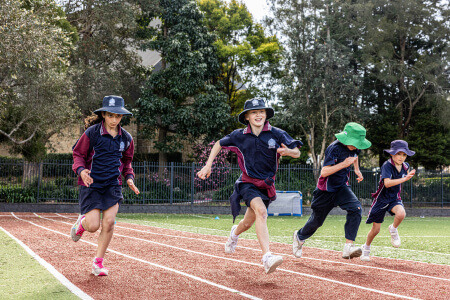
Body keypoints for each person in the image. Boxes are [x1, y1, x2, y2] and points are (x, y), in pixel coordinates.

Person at [197, 98, 302, 274]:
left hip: (266, 185)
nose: (258, 115)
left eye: (261, 111)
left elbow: (297, 152)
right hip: (247, 183)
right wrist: (208, 165)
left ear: (266, 114)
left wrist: (288, 151)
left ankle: (234, 234)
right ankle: (267, 257)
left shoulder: (277, 134)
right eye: (254, 112)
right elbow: (218, 144)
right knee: (262, 212)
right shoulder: (239, 135)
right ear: (246, 116)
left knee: (248, 222)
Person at [71, 95, 140, 276]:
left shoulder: (126, 139)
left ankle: (98, 263)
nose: (114, 120)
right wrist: (81, 171)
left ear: (122, 117)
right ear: (103, 115)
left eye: (117, 116)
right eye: (110, 116)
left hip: (112, 185)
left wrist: (129, 178)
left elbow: (127, 163)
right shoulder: (92, 133)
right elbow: (77, 154)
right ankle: (82, 223)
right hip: (91, 184)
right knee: (93, 226)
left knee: (109, 223)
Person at [293, 122, 371, 259]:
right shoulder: (333, 148)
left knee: (356, 209)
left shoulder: (355, 147)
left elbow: (355, 157)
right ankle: (299, 237)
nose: (356, 146)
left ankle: (348, 247)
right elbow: (324, 172)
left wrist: (357, 170)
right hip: (325, 190)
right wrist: (344, 164)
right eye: (355, 143)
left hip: (342, 187)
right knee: (316, 221)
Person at [360, 140, 416, 261]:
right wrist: (405, 179)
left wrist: (407, 175)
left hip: (394, 198)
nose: (401, 157)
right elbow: (387, 183)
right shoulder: (387, 165)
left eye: (404, 155)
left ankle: (393, 229)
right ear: (392, 154)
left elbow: (403, 176)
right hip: (381, 200)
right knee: (376, 230)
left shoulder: (406, 166)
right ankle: (366, 248)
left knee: (401, 213)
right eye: (398, 154)